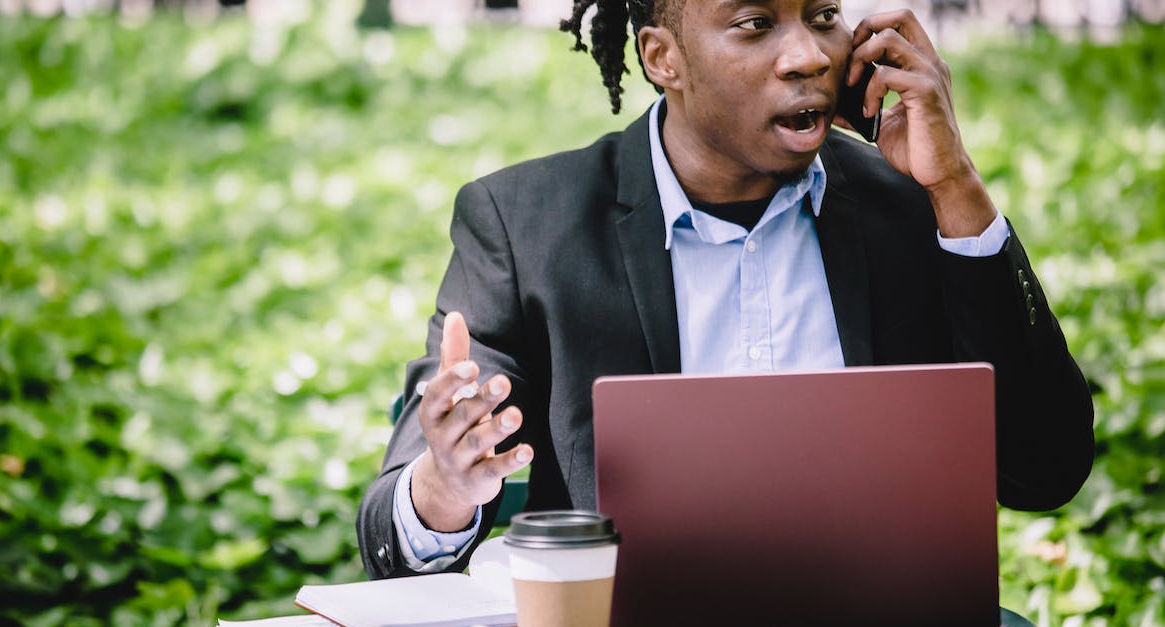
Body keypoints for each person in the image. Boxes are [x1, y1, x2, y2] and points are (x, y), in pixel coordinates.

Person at [356, 0, 1095, 579]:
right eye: (754, 24)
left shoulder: (910, 202)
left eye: (823, 16)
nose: (809, 56)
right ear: (663, 58)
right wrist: (445, 486)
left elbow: (1046, 470)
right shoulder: (527, 227)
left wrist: (957, 187)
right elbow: (391, 540)